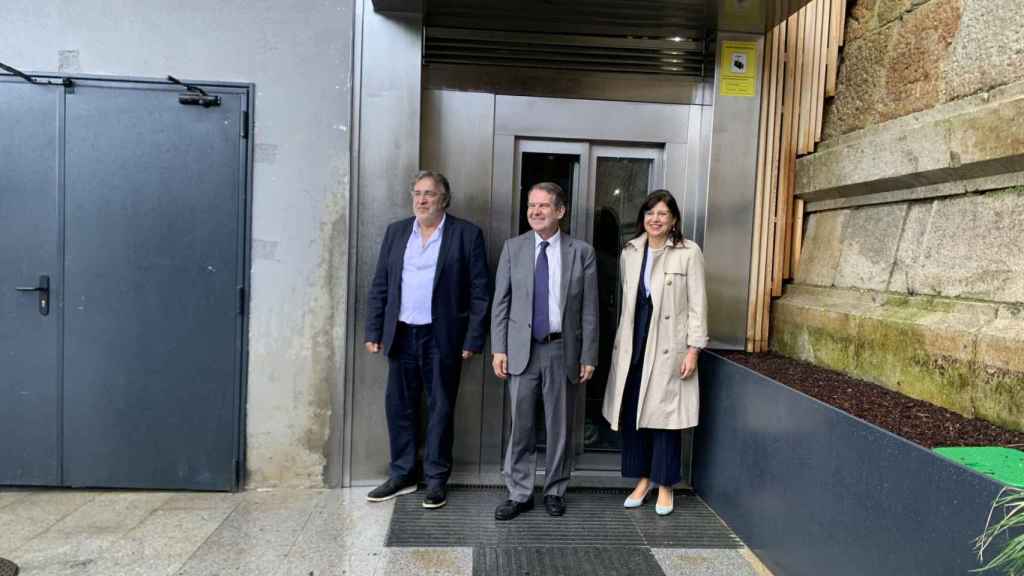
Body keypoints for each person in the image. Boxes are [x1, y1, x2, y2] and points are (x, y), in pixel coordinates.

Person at [364, 170, 490, 509]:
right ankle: (402, 475)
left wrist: (473, 339)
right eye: (417, 193)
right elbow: (380, 285)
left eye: (429, 194)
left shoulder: (466, 235)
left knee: (440, 409)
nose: (422, 200)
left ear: (444, 199)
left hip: (441, 337)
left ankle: (435, 480)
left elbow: (480, 292)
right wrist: (374, 330)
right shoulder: (396, 232)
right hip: (402, 334)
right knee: (399, 407)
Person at [491, 181, 599, 520]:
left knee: (560, 427)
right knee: (520, 427)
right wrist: (499, 349)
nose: (535, 212)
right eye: (530, 206)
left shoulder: (581, 252)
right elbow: (501, 304)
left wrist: (589, 355)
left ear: (560, 211)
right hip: (522, 351)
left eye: (543, 206)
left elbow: (591, 310)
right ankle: (519, 493)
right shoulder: (513, 248)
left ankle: (555, 490)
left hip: (561, 350)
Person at [601, 190, 708, 516]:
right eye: (650, 212)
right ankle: (643, 479)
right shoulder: (630, 252)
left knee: (665, 421)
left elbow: (698, 305)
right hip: (634, 347)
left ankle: (665, 486)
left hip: (669, 350)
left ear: (673, 219)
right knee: (635, 416)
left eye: (663, 213)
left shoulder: (688, 253)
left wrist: (693, 350)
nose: (655, 219)